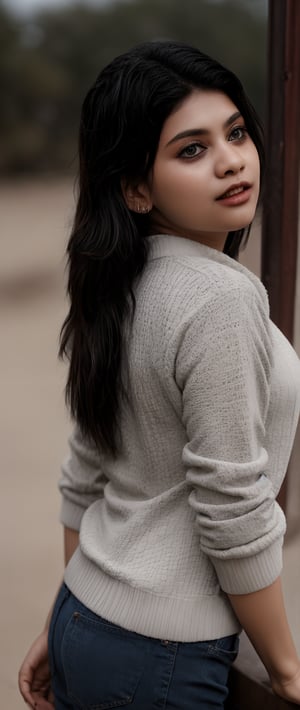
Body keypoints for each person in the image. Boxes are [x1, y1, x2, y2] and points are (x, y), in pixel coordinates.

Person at [19, 40, 300, 709]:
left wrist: (70, 611)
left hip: (86, 621)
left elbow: (87, 469)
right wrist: (286, 669)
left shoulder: (117, 283)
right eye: (191, 149)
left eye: (235, 132)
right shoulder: (220, 299)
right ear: (135, 188)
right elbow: (232, 510)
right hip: (163, 660)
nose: (231, 159)